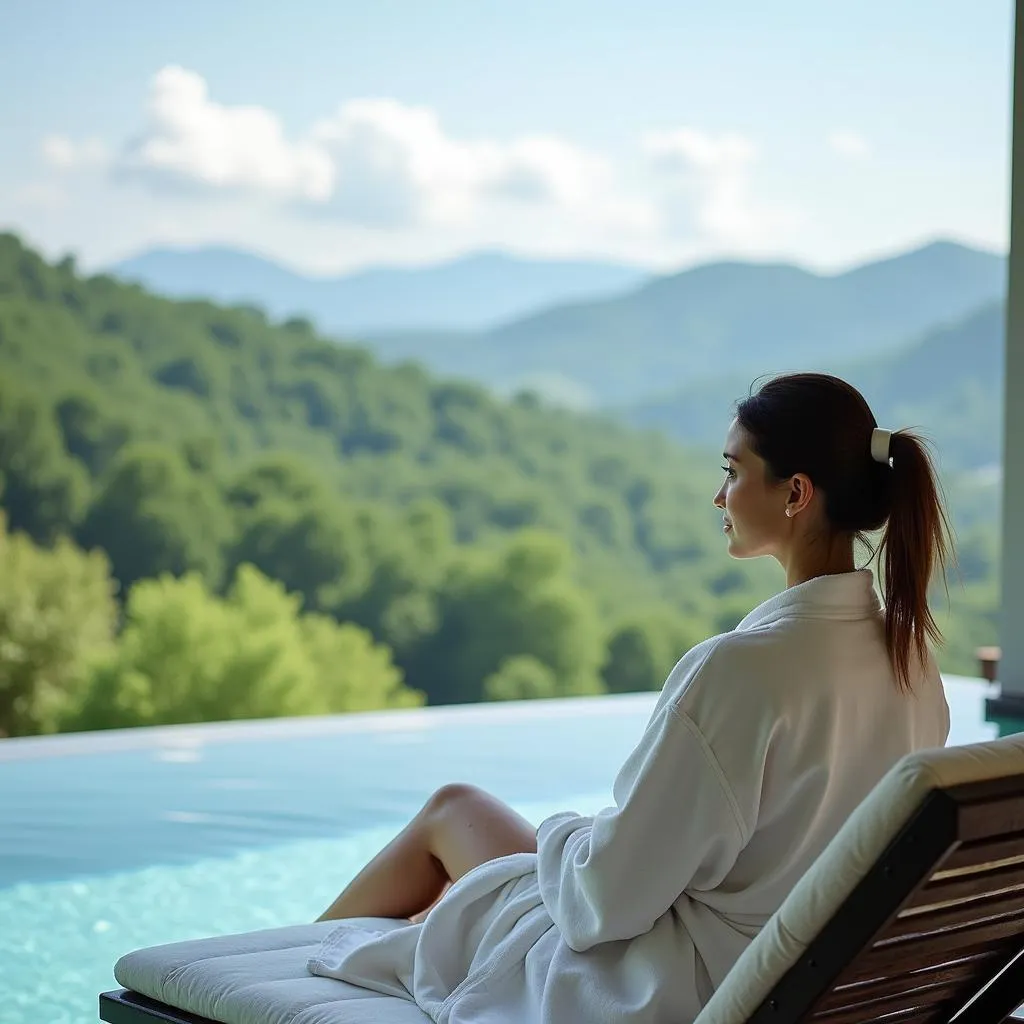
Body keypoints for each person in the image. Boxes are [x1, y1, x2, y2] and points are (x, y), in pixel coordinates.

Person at [307, 372, 952, 1024]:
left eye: (733, 471)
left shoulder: (739, 673)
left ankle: (279, 972)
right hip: (805, 985)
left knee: (453, 811)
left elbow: (604, 905)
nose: (717, 495)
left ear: (795, 493)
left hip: (676, 989)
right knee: (464, 839)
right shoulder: (912, 667)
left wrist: (564, 830)